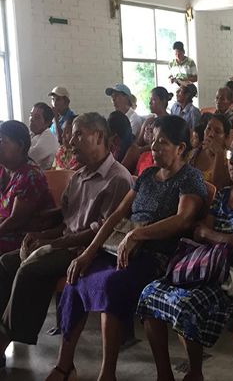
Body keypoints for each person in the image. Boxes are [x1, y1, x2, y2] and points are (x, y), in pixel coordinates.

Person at [47, 115, 206, 381]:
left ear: (181, 148)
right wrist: (88, 252)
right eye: (152, 141)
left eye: (162, 143)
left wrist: (138, 235)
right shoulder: (146, 175)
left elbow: (183, 219)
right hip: (122, 249)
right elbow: (117, 215)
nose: (154, 148)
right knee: (77, 276)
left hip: (161, 255)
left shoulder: (191, 178)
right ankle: (64, 365)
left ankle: (107, 372)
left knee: (112, 284)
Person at [137, 130, 233, 381]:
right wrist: (218, 237)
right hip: (204, 265)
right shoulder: (224, 194)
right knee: (149, 294)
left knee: (187, 305)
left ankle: (195, 372)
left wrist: (212, 234)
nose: (231, 161)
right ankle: (164, 374)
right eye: (229, 153)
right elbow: (200, 233)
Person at [0, 113, 132, 370]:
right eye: (72, 134)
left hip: (89, 250)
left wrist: (52, 244)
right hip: (66, 241)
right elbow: (65, 220)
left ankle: (6, 338)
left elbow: (102, 231)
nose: (71, 141)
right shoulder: (79, 175)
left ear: (100, 137)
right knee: (5, 262)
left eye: (79, 134)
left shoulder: (117, 178)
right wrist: (40, 236)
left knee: (31, 268)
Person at [0, 120, 54, 254]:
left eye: (3, 141)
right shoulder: (4, 170)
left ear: (20, 145)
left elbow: (15, 221)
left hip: (24, 238)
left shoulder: (30, 175)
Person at [189, 113, 232, 189]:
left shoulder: (229, 160)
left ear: (226, 137)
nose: (211, 134)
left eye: (217, 131)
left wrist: (219, 154)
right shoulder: (193, 153)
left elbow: (218, 187)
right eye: (208, 129)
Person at [28, 102, 60, 170]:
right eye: (31, 115)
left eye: (37, 117)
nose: (31, 119)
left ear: (47, 123)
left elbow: (29, 157)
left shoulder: (49, 137)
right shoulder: (32, 134)